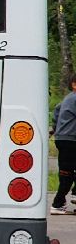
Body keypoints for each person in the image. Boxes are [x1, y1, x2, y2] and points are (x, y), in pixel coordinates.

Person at [51, 77, 76, 212]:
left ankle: (61, 202)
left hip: (63, 138)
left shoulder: (68, 98)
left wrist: (56, 128)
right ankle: (58, 203)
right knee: (67, 172)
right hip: (71, 138)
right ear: (74, 85)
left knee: (67, 171)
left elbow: (56, 111)